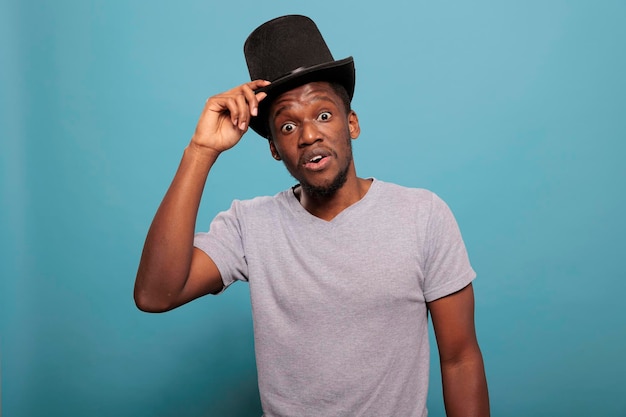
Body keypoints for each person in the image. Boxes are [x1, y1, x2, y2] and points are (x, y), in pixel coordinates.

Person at [134, 14, 489, 417]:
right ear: (274, 150)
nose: (308, 135)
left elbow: (460, 358)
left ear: (351, 123)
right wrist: (200, 151)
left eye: (323, 115)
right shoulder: (250, 226)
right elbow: (153, 294)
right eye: (287, 126)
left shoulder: (422, 215)